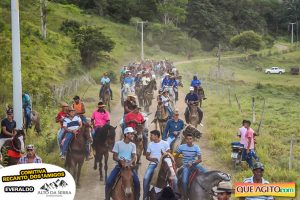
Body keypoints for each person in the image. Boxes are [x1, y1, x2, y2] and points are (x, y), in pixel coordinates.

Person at [105, 127, 140, 200]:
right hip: (119, 166)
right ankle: (107, 198)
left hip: (129, 167)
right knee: (109, 182)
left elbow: (134, 157)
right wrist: (120, 161)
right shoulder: (118, 144)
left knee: (137, 182)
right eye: (131, 134)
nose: (133, 135)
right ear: (126, 134)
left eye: (133, 134)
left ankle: (137, 197)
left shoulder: (133, 145)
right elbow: (114, 156)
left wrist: (129, 163)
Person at [143, 130, 173, 200]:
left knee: (174, 178)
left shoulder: (165, 143)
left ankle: (175, 195)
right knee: (145, 178)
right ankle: (145, 196)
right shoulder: (150, 144)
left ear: (156, 136)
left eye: (151, 135)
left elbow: (169, 154)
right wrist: (152, 159)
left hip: (164, 164)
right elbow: (147, 156)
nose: (150, 137)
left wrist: (164, 157)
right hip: (153, 164)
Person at [174, 133, 206, 198]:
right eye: (187, 139)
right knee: (184, 181)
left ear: (193, 139)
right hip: (186, 166)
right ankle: (184, 195)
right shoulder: (182, 147)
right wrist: (176, 163)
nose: (189, 140)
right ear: (185, 140)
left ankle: (208, 190)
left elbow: (200, 160)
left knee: (206, 173)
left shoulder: (196, 147)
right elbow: (175, 156)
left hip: (195, 165)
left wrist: (193, 162)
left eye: (190, 139)